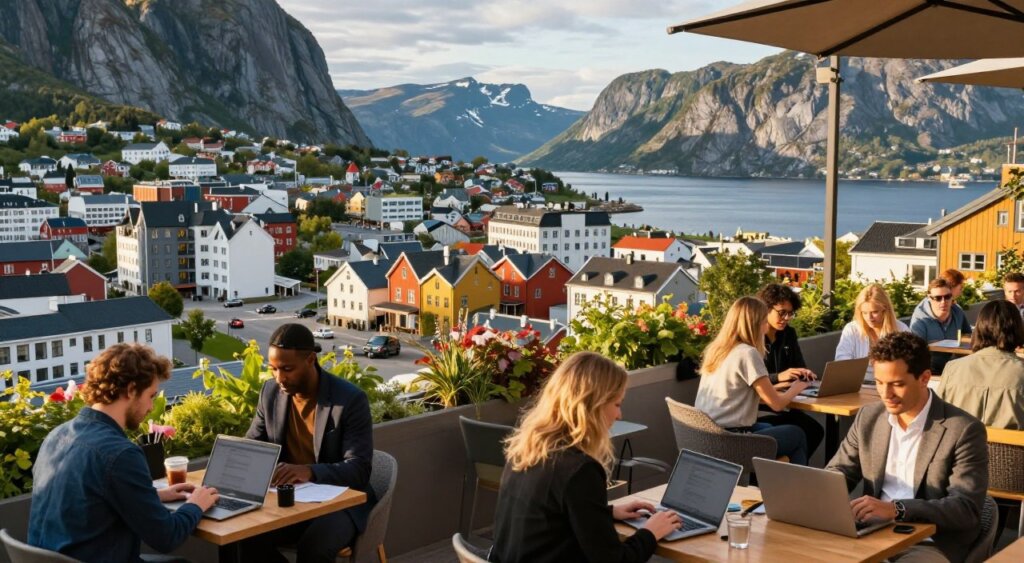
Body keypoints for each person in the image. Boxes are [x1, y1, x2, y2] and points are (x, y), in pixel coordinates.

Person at [28, 344, 220, 562]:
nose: (151, 407)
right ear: (131, 390)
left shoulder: (56, 436)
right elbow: (166, 538)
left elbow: (86, 501)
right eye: (151, 395)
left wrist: (152, 496)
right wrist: (196, 504)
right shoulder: (120, 454)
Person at [491, 352, 680, 563]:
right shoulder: (580, 469)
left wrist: (606, 513)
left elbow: (549, 516)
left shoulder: (527, 449)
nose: (619, 415)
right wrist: (651, 532)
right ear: (592, 406)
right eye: (617, 404)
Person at [826, 332, 988, 562]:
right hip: (868, 534)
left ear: (924, 378)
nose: (885, 394)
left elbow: (965, 509)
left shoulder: (963, 429)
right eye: (880, 383)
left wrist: (897, 509)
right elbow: (837, 473)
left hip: (930, 543)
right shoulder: (869, 418)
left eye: (897, 384)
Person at [240, 324, 375, 563]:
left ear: (311, 359)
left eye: (287, 369)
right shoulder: (270, 393)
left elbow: (359, 469)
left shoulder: (349, 400)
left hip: (340, 502)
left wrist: (309, 471)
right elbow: (253, 447)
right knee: (244, 538)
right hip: (290, 500)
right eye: (273, 369)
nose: (279, 377)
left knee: (314, 548)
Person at [695, 296, 812, 465]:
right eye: (764, 321)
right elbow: (777, 405)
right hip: (731, 441)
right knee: (798, 434)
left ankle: (767, 486)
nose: (766, 327)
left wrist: (777, 386)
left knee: (768, 428)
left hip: (706, 436)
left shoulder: (717, 349)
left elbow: (739, 391)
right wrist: (798, 387)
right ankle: (796, 490)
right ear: (754, 324)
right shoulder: (747, 353)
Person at [755, 283, 824, 458]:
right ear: (766, 310)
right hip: (762, 408)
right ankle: (785, 471)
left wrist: (803, 374)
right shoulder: (754, 339)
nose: (786, 318)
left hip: (785, 403)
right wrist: (779, 377)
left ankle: (787, 469)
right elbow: (754, 380)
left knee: (814, 430)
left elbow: (799, 365)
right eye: (781, 312)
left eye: (790, 313)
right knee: (808, 430)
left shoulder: (789, 334)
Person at [938, 299, 1024, 429]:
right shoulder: (1020, 372)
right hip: (1011, 448)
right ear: (1018, 329)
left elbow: (938, 418)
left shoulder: (953, 368)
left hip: (960, 447)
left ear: (979, 327)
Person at [835, 283, 909, 380]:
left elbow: (909, 362)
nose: (869, 318)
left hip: (890, 383)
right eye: (864, 313)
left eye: (874, 312)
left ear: (885, 310)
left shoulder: (901, 330)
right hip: (857, 384)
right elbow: (841, 361)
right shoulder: (852, 329)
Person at [909, 278, 972, 374]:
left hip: (956, 368)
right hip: (929, 370)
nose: (943, 302)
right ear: (929, 298)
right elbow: (916, 353)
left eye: (947, 297)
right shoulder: (919, 320)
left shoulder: (958, 312)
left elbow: (968, 336)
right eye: (938, 298)